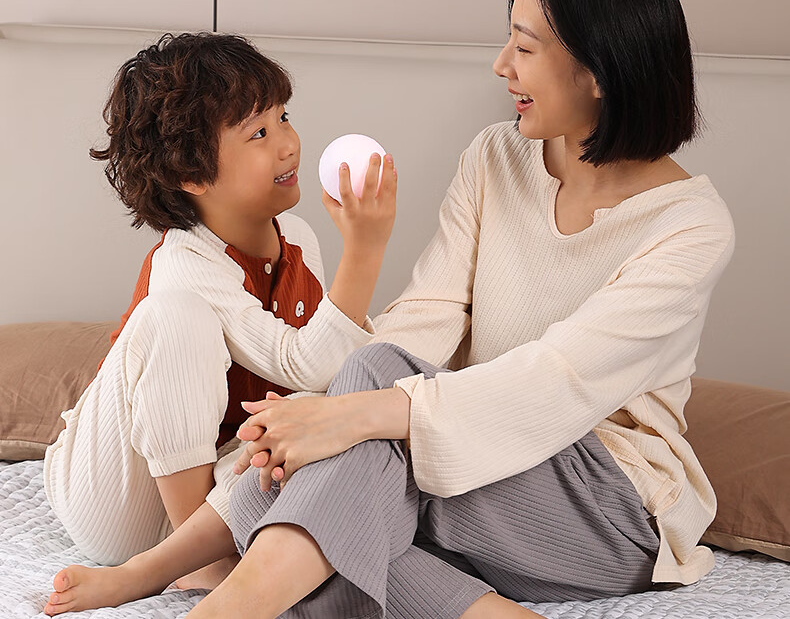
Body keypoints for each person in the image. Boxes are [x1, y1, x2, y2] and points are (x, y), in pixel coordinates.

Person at [46, 0, 736, 617]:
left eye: (524, 47)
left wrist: (352, 413)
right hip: (473, 470)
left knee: (357, 433)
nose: (501, 65)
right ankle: (483, 611)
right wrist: (326, 415)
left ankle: (219, 605)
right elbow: (423, 322)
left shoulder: (689, 225)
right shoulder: (496, 157)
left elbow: (556, 382)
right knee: (342, 501)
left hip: (607, 505)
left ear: (599, 71)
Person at [41, 30, 397, 606]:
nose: (288, 144)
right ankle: (195, 561)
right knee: (177, 316)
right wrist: (366, 249)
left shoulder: (299, 239)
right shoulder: (185, 260)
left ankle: (206, 545)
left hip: (217, 486)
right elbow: (300, 360)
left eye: (284, 117)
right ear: (193, 175)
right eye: (259, 133)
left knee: (332, 405)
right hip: (117, 494)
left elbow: (326, 374)